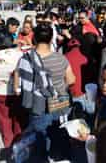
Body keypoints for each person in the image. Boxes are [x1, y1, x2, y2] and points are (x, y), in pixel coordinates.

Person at [16, 24, 75, 160]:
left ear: (34, 38)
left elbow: (21, 84)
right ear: (51, 39)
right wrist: (58, 87)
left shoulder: (26, 59)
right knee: (56, 133)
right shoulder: (61, 58)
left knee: (40, 138)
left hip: (38, 105)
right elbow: (71, 80)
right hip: (59, 101)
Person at [0, 36, 26, 148]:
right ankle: (18, 140)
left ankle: (8, 141)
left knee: (4, 118)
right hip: (16, 90)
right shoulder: (17, 54)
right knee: (17, 116)